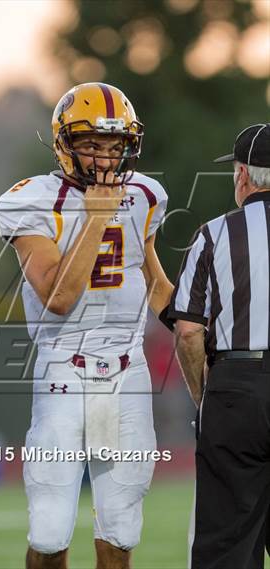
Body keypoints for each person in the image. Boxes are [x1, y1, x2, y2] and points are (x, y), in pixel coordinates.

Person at [0, 82, 174, 569]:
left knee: (120, 526)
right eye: (92, 145)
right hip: (64, 371)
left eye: (115, 147)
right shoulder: (32, 200)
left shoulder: (144, 197)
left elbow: (154, 281)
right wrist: (95, 217)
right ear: (64, 144)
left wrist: (198, 333)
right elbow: (59, 296)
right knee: (50, 531)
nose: (104, 159)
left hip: (127, 370)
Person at [168, 123, 270, 569]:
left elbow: (189, 330)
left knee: (228, 543)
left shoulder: (213, 234)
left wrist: (204, 394)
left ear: (243, 175)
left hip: (238, 385)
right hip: (240, 383)